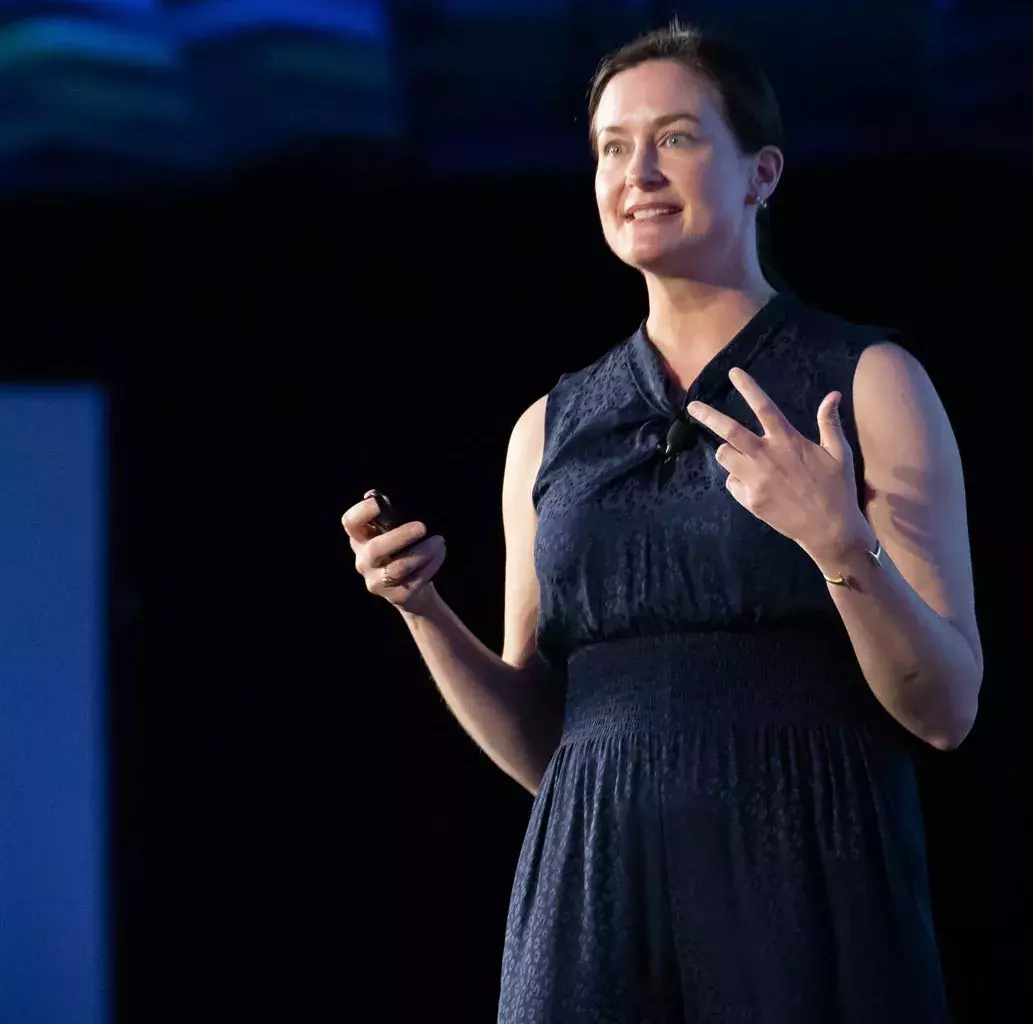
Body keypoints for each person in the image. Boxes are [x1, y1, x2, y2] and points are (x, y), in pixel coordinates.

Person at [338, 19, 982, 1023]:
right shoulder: (547, 427)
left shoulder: (869, 381)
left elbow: (945, 708)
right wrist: (422, 609)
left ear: (760, 172)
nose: (638, 169)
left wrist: (838, 544)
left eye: (677, 137)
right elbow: (544, 745)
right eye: (611, 146)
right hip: (591, 895)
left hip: (802, 871)